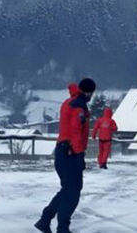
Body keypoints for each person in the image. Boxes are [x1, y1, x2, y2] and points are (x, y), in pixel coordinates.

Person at [35, 78, 96, 233]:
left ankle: (46, 219)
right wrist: (79, 154)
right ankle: (62, 227)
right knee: (73, 191)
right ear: (89, 92)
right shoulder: (79, 107)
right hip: (70, 152)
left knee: (67, 189)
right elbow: (76, 131)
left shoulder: (69, 102)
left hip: (62, 151)